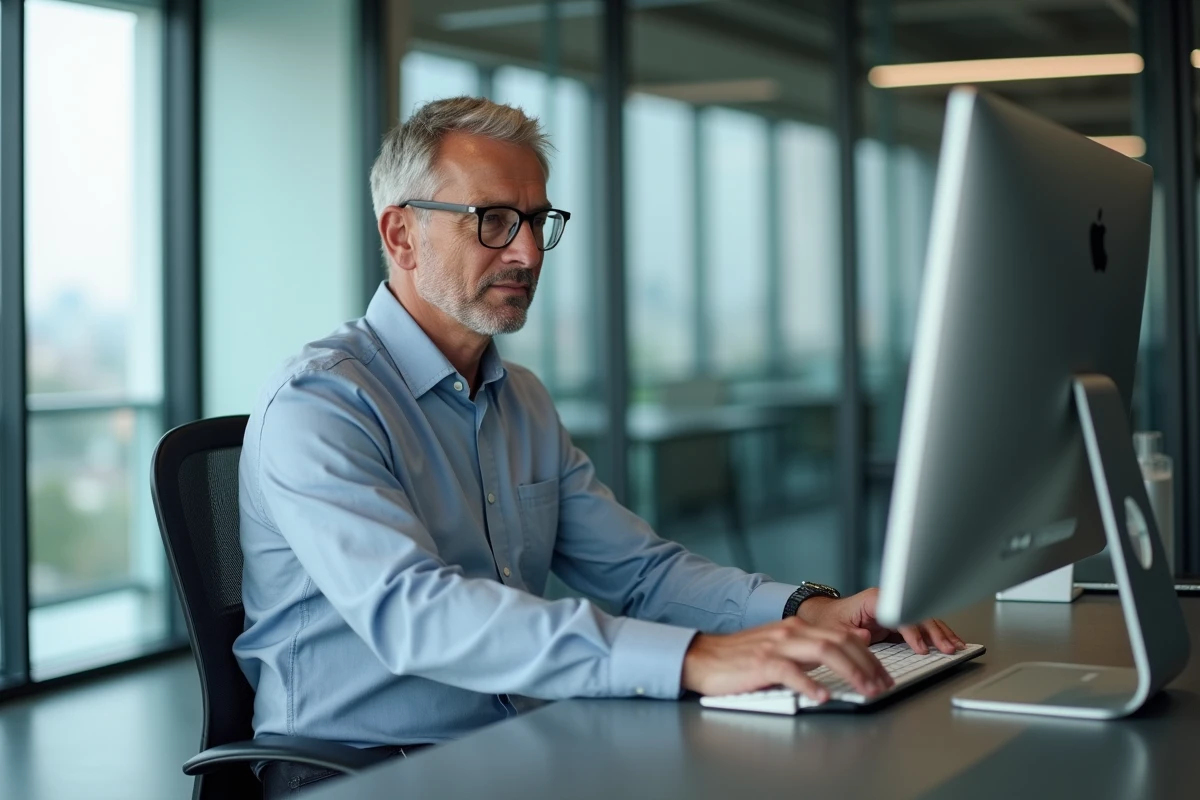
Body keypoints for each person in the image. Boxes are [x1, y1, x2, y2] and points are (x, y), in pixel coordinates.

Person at [235, 96, 964, 797]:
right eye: (492, 220)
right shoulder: (322, 402)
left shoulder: (520, 398)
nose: (525, 251)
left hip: (518, 742)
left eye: (536, 220)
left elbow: (641, 574)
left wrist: (803, 609)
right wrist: (695, 658)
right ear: (400, 236)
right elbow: (416, 614)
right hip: (359, 770)